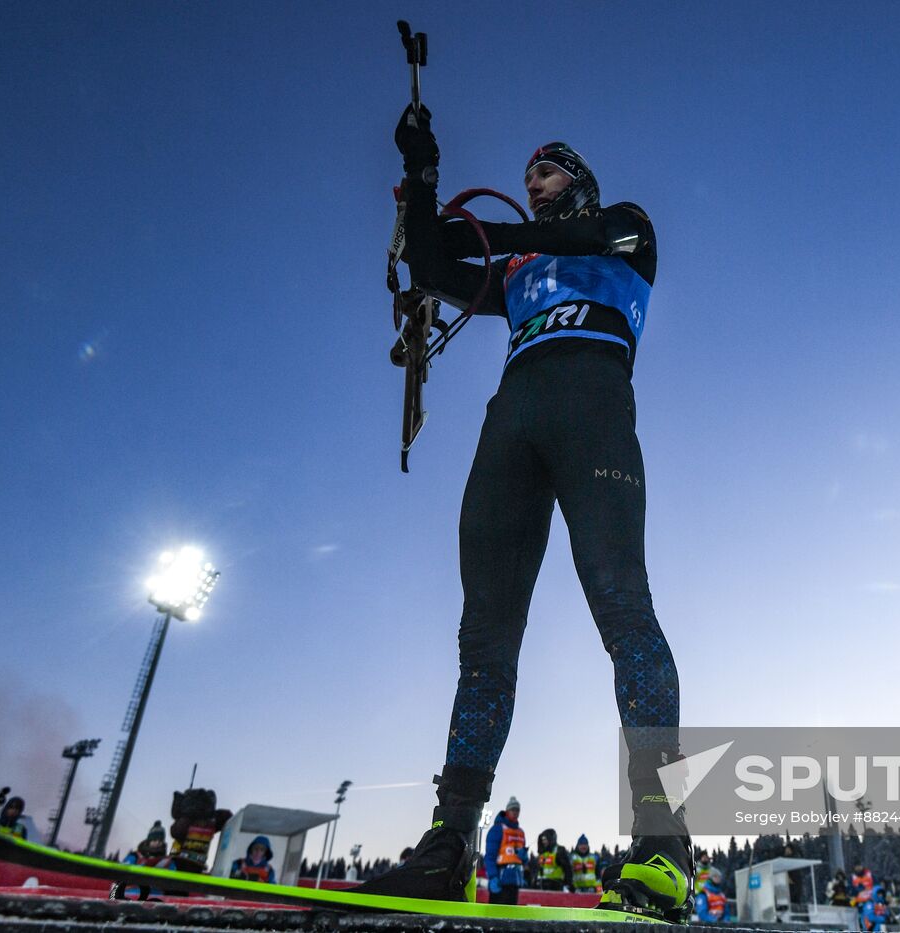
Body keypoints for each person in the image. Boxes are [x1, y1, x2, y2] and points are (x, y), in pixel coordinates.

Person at [358, 102, 690, 922]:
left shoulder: (626, 226)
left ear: (575, 176)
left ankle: (662, 843)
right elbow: (434, 263)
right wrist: (423, 174)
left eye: (542, 172)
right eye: (526, 177)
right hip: (513, 422)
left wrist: (489, 237)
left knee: (624, 610)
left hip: (593, 412)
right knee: (484, 637)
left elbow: (576, 239)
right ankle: (449, 843)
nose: (530, 186)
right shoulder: (517, 272)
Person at [483, 797, 527, 905]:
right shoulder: (498, 829)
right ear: (507, 811)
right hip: (500, 878)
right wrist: (493, 876)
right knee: (496, 913)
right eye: (513, 810)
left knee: (510, 914)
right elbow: (490, 856)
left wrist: (524, 857)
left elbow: (524, 861)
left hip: (515, 880)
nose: (515, 812)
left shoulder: (520, 832)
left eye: (517, 810)